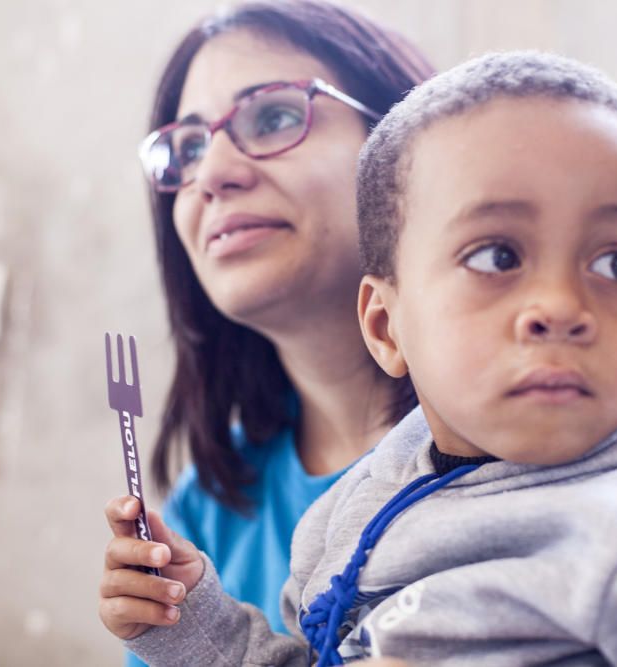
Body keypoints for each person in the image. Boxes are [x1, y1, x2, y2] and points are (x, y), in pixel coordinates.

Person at [115, 51, 617, 666]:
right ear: (387, 321)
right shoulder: (340, 514)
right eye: (498, 254)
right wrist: (203, 630)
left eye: (616, 264)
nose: (561, 303)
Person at [97, 1, 434, 664]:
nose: (212, 175)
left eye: (275, 116)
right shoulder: (200, 518)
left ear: (406, 142)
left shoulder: (532, 433)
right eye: (188, 147)